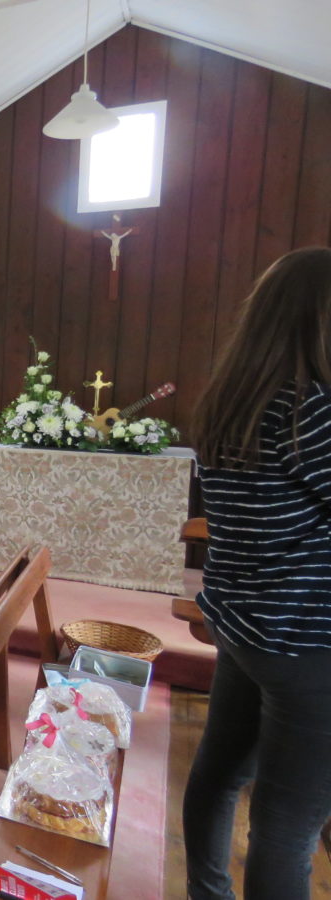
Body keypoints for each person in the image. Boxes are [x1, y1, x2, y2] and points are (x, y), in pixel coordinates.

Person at [185, 246, 331, 899]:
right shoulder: (312, 410)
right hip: (306, 643)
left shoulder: (230, 402)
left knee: (218, 778)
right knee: (285, 830)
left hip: (244, 628)